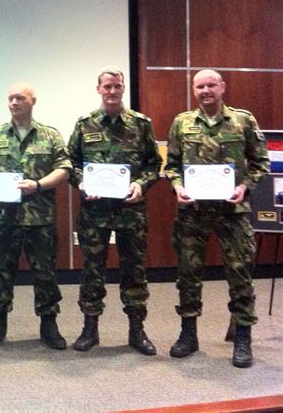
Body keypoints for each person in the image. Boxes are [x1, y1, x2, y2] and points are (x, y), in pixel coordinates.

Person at [165, 69, 269, 368]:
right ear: (193, 89)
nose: (206, 90)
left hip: (232, 212)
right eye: (200, 86)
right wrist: (177, 186)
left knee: (240, 274)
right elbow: (171, 165)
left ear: (222, 87)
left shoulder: (243, 120)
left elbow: (260, 162)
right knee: (188, 273)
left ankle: (243, 337)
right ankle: (188, 334)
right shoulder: (181, 122)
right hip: (192, 212)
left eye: (211, 85)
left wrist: (243, 187)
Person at [66, 66, 162, 355]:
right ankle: (90, 328)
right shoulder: (85, 124)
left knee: (134, 269)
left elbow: (154, 164)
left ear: (123, 89)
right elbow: (70, 161)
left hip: (130, 211)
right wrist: (82, 182)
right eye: (107, 86)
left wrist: (141, 185)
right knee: (92, 269)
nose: (112, 91)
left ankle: (137, 330)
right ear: (98, 89)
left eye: (117, 86)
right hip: (94, 211)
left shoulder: (140, 124)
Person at [0, 82, 70, 349]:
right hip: (3, 218)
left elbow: (63, 168)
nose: (14, 102)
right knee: (0, 272)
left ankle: (49, 325)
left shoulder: (49, 135)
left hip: (39, 217)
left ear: (33, 101)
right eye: (10, 98)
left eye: (20, 98)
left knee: (45, 273)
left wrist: (39, 185)